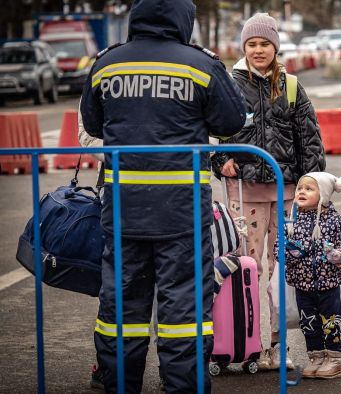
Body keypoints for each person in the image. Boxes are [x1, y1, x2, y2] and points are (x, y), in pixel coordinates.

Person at [79, 0, 246, 392]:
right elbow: (233, 121)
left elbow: (92, 122)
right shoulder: (200, 64)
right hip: (181, 213)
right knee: (184, 311)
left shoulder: (108, 63)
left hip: (123, 212)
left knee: (121, 308)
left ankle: (119, 384)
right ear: (183, 19)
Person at [211, 12, 325, 371]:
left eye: (264, 43)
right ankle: (246, 341)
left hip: (287, 191)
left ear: (275, 46)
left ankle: (279, 345)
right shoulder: (228, 84)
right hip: (245, 193)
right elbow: (215, 134)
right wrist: (220, 161)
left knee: (284, 268)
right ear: (243, 47)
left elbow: (309, 137)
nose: (258, 50)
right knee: (247, 267)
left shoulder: (291, 85)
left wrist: (314, 182)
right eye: (252, 44)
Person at [274, 172, 341, 380]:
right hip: (302, 285)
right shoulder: (290, 221)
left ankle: (334, 359)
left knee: (330, 323)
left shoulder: (336, 221)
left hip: (329, 284)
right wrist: (289, 253)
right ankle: (316, 357)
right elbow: (278, 249)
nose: (301, 191)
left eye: (309, 189)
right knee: (309, 324)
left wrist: (340, 256)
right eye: (300, 188)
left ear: (324, 194)